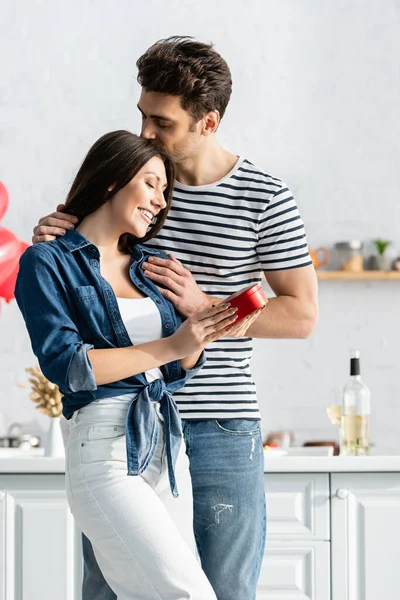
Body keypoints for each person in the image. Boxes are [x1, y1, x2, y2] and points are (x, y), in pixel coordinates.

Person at [32, 37, 318, 600]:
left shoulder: (264, 195)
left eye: (162, 122)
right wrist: (54, 233)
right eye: (142, 115)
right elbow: (81, 271)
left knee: (219, 590)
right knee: (113, 590)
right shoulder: (133, 181)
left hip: (217, 426)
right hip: (119, 427)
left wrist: (206, 310)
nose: (145, 133)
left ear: (207, 122)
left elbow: (301, 314)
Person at [16, 130, 259, 600]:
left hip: (167, 446)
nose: (160, 199)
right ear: (110, 180)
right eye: (151, 183)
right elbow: (69, 366)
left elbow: (176, 367)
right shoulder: (47, 262)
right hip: (104, 450)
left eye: (164, 190)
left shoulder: (151, 265)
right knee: (187, 593)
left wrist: (199, 332)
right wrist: (174, 345)